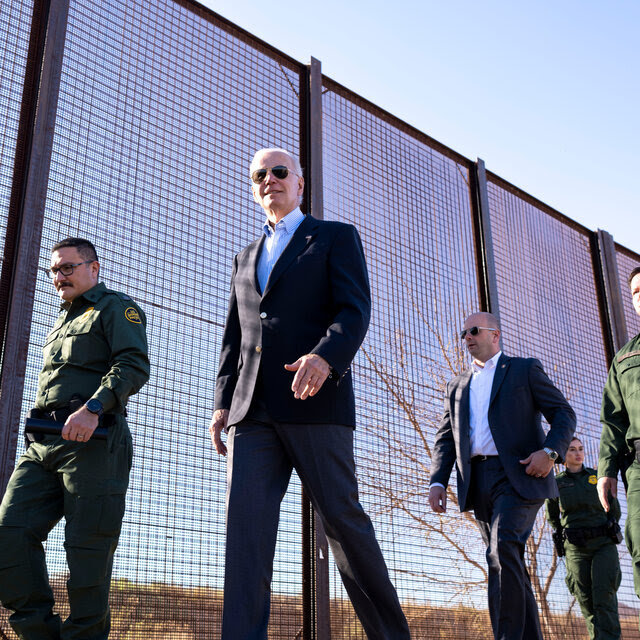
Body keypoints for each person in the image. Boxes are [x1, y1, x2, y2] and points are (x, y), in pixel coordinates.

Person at [209, 148, 410, 639]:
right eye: (259, 175)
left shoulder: (335, 237)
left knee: (343, 522)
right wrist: (221, 404)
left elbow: (353, 309)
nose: (269, 180)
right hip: (251, 414)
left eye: (280, 172)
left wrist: (325, 356)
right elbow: (234, 338)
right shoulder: (244, 258)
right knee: (246, 538)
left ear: (300, 185)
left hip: (316, 403)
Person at [0, 237, 150, 639]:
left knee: (87, 555)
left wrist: (95, 408)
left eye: (68, 267)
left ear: (93, 268)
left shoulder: (115, 307)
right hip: (43, 444)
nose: (59, 276)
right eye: (54, 269)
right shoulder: (62, 320)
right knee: (8, 534)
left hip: (94, 443)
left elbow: (133, 365)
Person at [428, 311, 576, 640]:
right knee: (507, 560)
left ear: (495, 335)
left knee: (501, 548)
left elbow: (563, 413)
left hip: (520, 474)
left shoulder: (524, 370)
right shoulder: (456, 386)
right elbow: (445, 438)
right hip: (477, 482)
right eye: (463, 332)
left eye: (474, 330)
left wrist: (551, 454)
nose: (467, 337)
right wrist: (438, 480)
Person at [546, 437, 622, 640]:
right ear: (564, 455)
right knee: (585, 599)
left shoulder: (597, 477)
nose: (578, 453)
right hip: (576, 548)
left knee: (604, 595)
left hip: (603, 543)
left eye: (580, 449)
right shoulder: (556, 483)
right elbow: (553, 518)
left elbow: (614, 510)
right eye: (571, 449)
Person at [598, 266, 640, 616]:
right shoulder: (624, 358)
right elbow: (613, 421)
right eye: (636, 293)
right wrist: (606, 471)